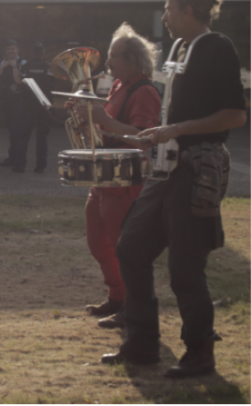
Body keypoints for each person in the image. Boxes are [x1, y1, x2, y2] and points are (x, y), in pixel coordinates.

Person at [101, 0, 246, 378]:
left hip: (197, 165)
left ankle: (200, 352)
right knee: (130, 247)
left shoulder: (216, 47)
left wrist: (175, 130)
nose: (163, 15)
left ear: (187, 9)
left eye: (167, 8)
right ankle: (143, 343)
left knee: (185, 264)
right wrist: (158, 135)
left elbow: (235, 114)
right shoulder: (180, 45)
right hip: (167, 166)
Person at [71, 24, 161, 329]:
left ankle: (131, 307)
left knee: (123, 247)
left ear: (134, 59)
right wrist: (87, 120)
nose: (108, 63)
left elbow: (145, 137)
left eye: (114, 57)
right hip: (105, 177)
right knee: (98, 243)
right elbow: (108, 130)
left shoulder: (144, 90)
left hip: (125, 182)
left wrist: (103, 118)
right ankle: (118, 297)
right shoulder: (118, 86)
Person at [0, 40, 29, 172]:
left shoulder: (23, 63)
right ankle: (12, 157)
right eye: (8, 49)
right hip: (7, 101)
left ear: (18, 50)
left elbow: (19, 82)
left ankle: (19, 161)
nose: (11, 51)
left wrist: (14, 66)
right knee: (11, 132)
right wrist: (2, 68)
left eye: (13, 49)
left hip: (18, 102)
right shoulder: (3, 63)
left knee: (18, 132)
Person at [23, 42, 54, 173]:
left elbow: (22, 84)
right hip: (44, 104)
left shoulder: (26, 67)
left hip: (29, 105)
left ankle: (20, 164)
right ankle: (40, 166)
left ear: (32, 53)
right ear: (43, 53)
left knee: (24, 136)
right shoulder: (48, 67)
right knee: (42, 137)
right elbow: (52, 83)